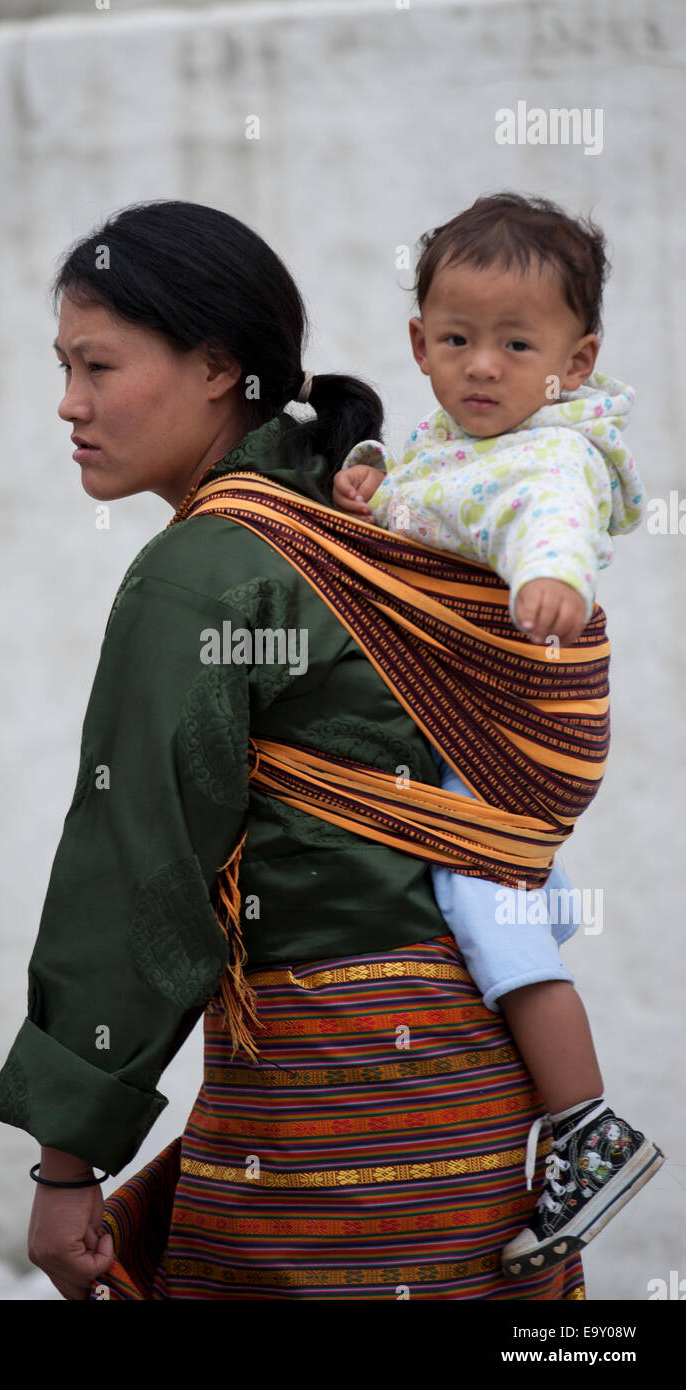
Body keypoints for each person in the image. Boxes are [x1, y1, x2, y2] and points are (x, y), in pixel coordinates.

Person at [0, 198, 590, 1301]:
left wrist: (66, 1160)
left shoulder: (207, 570)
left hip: (327, 1109)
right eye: (62, 368)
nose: (69, 405)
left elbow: (138, 872)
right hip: (477, 1089)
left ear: (217, 366)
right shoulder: (372, 519)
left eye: (98, 366)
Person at [332, 192, 664, 1277]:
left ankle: (587, 1126)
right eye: (458, 339)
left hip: (498, 737)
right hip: (466, 736)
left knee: (491, 911)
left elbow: (548, 522)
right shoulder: (452, 444)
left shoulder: (548, 456)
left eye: (517, 345)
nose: (483, 366)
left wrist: (553, 582)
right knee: (502, 909)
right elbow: (427, 514)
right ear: (418, 344)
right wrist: (373, 491)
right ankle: (533, 1128)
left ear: (576, 359)